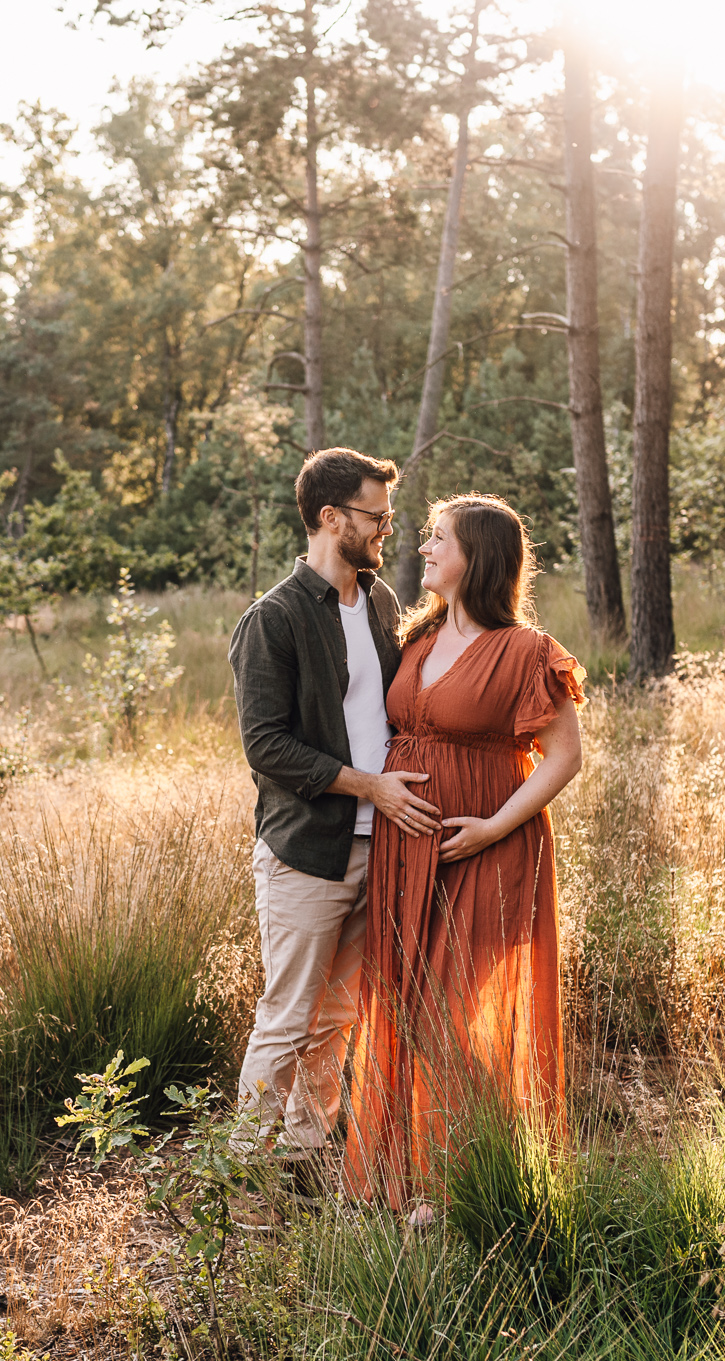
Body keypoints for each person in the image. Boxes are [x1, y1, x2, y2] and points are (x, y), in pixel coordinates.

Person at [344, 494, 586, 1218]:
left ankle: (464, 1180)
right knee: (412, 1004)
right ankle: (417, 1170)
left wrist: (492, 826)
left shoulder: (526, 650)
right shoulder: (416, 636)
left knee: (459, 1006)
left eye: (438, 538)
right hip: (405, 846)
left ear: (476, 554)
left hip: (486, 846)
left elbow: (564, 757)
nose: (422, 548)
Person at [229, 447, 444, 1163]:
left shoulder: (380, 600)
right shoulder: (274, 618)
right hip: (306, 852)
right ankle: (247, 1179)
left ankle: (301, 1157)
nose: (387, 527)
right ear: (329, 517)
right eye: (375, 515)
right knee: (288, 1018)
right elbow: (267, 746)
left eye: (388, 514)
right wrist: (369, 786)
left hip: (377, 844)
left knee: (339, 1016)